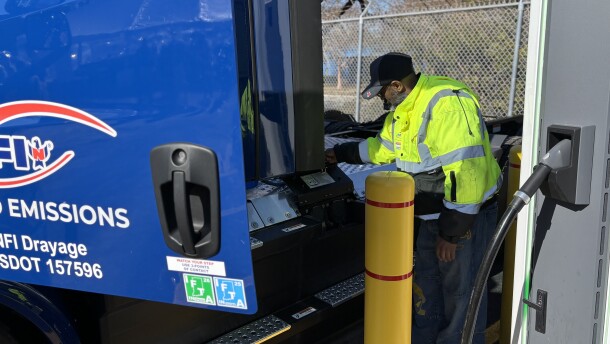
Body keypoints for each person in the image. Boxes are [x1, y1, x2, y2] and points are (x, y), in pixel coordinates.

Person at [325, 52, 501, 344]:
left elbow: (466, 171)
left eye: (383, 92)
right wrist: (339, 153)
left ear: (397, 85)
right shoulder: (405, 108)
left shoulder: (446, 103)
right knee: (426, 290)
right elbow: (382, 149)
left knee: (460, 298)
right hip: (430, 215)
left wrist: (452, 233)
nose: (383, 99)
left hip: (461, 220)